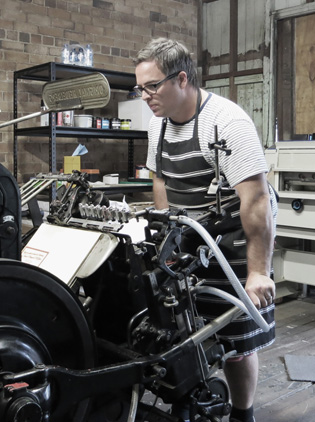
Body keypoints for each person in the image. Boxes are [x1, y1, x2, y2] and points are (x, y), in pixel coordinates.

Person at [134, 38, 278, 422]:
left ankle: (242, 414)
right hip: (191, 231)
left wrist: (258, 271)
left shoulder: (227, 121)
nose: (144, 96)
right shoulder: (157, 125)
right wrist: (169, 236)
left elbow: (257, 201)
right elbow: (160, 178)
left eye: (151, 86)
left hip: (235, 232)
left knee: (238, 337)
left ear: (182, 79)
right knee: (180, 325)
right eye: (140, 88)